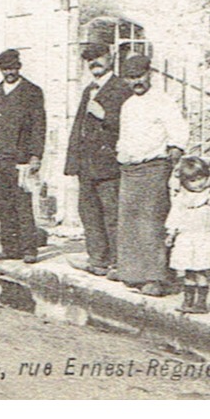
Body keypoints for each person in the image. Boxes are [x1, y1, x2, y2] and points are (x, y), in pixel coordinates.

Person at [113, 54, 186, 296]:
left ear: (149, 74)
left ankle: (156, 278)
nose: (137, 81)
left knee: (152, 224)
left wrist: (169, 167)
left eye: (140, 76)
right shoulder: (128, 104)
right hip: (129, 170)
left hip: (154, 168)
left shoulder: (164, 101)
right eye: (131, 78)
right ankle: (132, 273)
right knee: (129, 223)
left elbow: (178, 137)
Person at [0, 49, 46, 263]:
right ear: (0, 70)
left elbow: (39, 126)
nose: (9, 72)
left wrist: (35, 156)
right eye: (5, 69)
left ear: (19, 67)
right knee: (2, 204)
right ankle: (10, 248)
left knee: (22, 204)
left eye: (12, 68)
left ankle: (29, 249)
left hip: (20, 160)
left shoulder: (32, 92)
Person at [63, 41, 131, 276]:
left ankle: (117, 262)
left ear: (110, 57)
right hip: (86, 164)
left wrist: (106, 116)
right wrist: (72, 162)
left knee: (112, 214)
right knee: (89, 213)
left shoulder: (122, 88)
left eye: (98, 57)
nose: (94, 62)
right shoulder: (89, 90)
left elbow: (131, 124)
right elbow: (78, 127)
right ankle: (97, 259)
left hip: (108, 162)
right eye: (89, 59)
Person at [167, 155, 210, 314]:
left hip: (203, 237)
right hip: (186, 238)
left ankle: (201, 303)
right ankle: (187, 301)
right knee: (188, 272)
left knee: (201, 272)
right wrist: (171, 233)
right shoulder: (181, 198)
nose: (198, 184)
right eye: (192, 181)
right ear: (184, 181)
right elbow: (175, 216)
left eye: (201, 178)